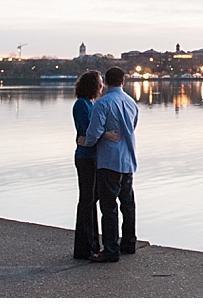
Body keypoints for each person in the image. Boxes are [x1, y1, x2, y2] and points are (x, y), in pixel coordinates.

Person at [84, 66, 139, 263]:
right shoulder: (132, 103)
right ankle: (129, 243)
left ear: (106, 82)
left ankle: (111, 249)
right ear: (123, 81)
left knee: (109, 208)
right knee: (128, 205)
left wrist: (87, 142)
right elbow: (132, 127)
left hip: (109, 161)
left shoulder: (102, 103)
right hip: (128, 159)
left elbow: (94, 132)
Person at [71, 70, 102, 260]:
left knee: (92, 199)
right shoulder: (81, 105)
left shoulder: (90, 104)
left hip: (92, 155)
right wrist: (104, 134)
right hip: (85, 157)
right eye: (99, 83)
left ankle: (92, 243)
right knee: (87, 199)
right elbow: (88, 130)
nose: (101, 86)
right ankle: (84, 246)